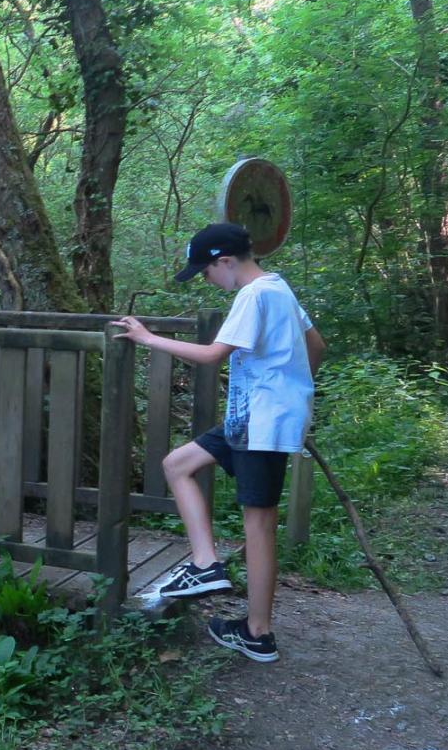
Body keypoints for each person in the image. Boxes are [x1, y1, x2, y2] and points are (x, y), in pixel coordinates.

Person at [113, 222, 326, 663]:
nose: (207, 280)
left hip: (260, 422)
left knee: (260, 524)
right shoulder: (279, 288)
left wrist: (147, 338)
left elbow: (213, 356)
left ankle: (258, 633)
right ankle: (206, 564)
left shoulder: (253, 295)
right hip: (254, 417)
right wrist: (292, 389)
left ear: (225, 262)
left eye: (205, 272)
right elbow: (316, 346)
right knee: (178, 464)